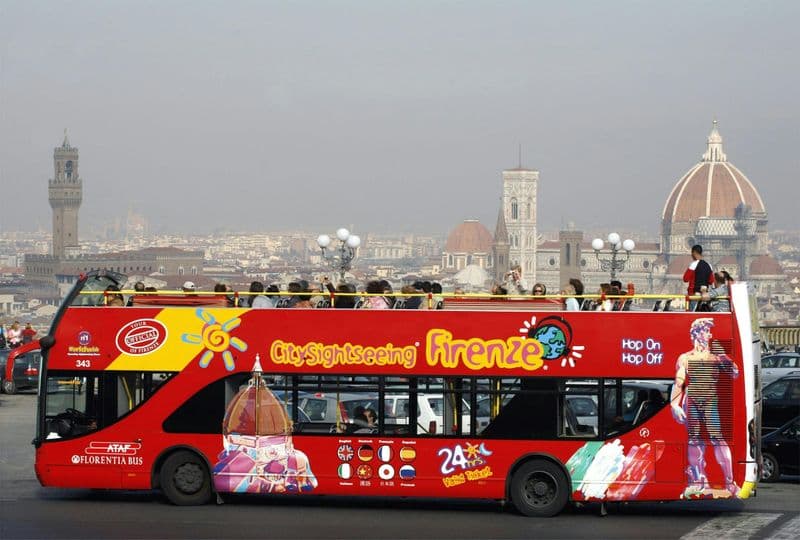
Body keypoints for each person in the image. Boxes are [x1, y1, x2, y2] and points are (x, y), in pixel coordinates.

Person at [670, 318, 740, 498]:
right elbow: (679, 382)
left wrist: (724, 356)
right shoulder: (685, 358)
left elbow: (735, 373)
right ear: (697, 333)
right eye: (706, 331)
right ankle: (699, 481)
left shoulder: (715, 356)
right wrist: (674, 404)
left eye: (709, 331)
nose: (709, 334)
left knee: (718, 439)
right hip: (692, 400)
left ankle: (730, 481)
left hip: (710, 400)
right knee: (694, 440)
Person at [683, 245, 714, 310]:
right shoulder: (709, 265)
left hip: (694, 295)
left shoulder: (693, 264)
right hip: (704, 295)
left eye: (692, 253)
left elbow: (685, 279)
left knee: (691, 315)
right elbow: (711, 281)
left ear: (694, 253)